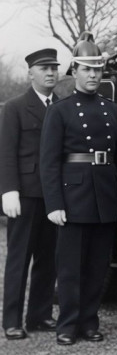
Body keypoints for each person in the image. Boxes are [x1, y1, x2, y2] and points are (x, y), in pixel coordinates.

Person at [40, 33, 117, 346]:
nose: (93, 75)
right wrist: (54, 203)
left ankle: (89, 322)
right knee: (69, 267)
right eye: (86, 69)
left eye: (97, 70)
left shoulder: (112, 110)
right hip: (73, 196)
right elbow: (49, 162)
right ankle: (67, 325)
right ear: (75, 72)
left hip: (105, 195)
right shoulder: (60, 111)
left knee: (97, 266)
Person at [0, 48, 60, 340]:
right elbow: (6, 152)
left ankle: (40, 315)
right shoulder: (14, 107)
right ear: (31, 73)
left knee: (49, 258)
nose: (50, 73)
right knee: (19, 259)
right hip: (24, 195)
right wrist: (8, 190)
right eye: (44, 68)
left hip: (54, 196)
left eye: (54, 68)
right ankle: (12, 320)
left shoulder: (61, 105)